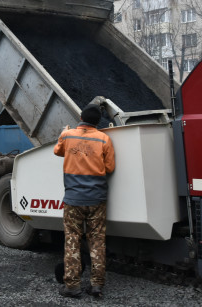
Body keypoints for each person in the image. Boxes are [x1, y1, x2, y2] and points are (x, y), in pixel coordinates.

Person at [54, 103, 115, 298]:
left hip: (73, 200)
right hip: (97, 200)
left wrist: (63, 133)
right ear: (98, 122)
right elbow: (110, 168)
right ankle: (96, 285)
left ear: (81, 118)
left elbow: (57, 151)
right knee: (97, 240)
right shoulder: (104, 139)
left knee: (72, 239)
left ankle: (72, 286)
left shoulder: (68, 135)